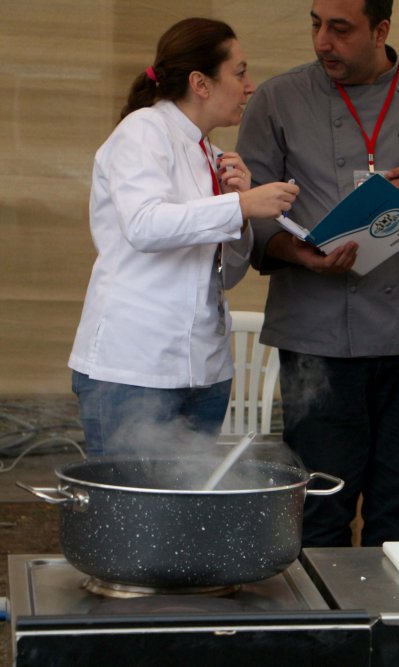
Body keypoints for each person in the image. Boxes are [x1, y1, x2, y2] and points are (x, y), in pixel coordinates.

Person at [235, 0, 399, 547]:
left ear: (382, 30)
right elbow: (246, 211)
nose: (323, 41)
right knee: (321, 507)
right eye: (315, 25)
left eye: (340, 29)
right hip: (315, 336)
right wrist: (300, 253)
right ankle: (325, 630)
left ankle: (390, 629)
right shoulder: (278, 100)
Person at [69, 17, 299, 456]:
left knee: (185, 517)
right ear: (201, 83)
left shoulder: (211, 154)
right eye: (240, 72)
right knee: (132, 518)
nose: (250, 87)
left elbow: (226, 274)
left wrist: (241, 214)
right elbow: (144, 224)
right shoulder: (142, 132)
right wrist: (241, 207)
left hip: (205, 371)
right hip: (134, 369)